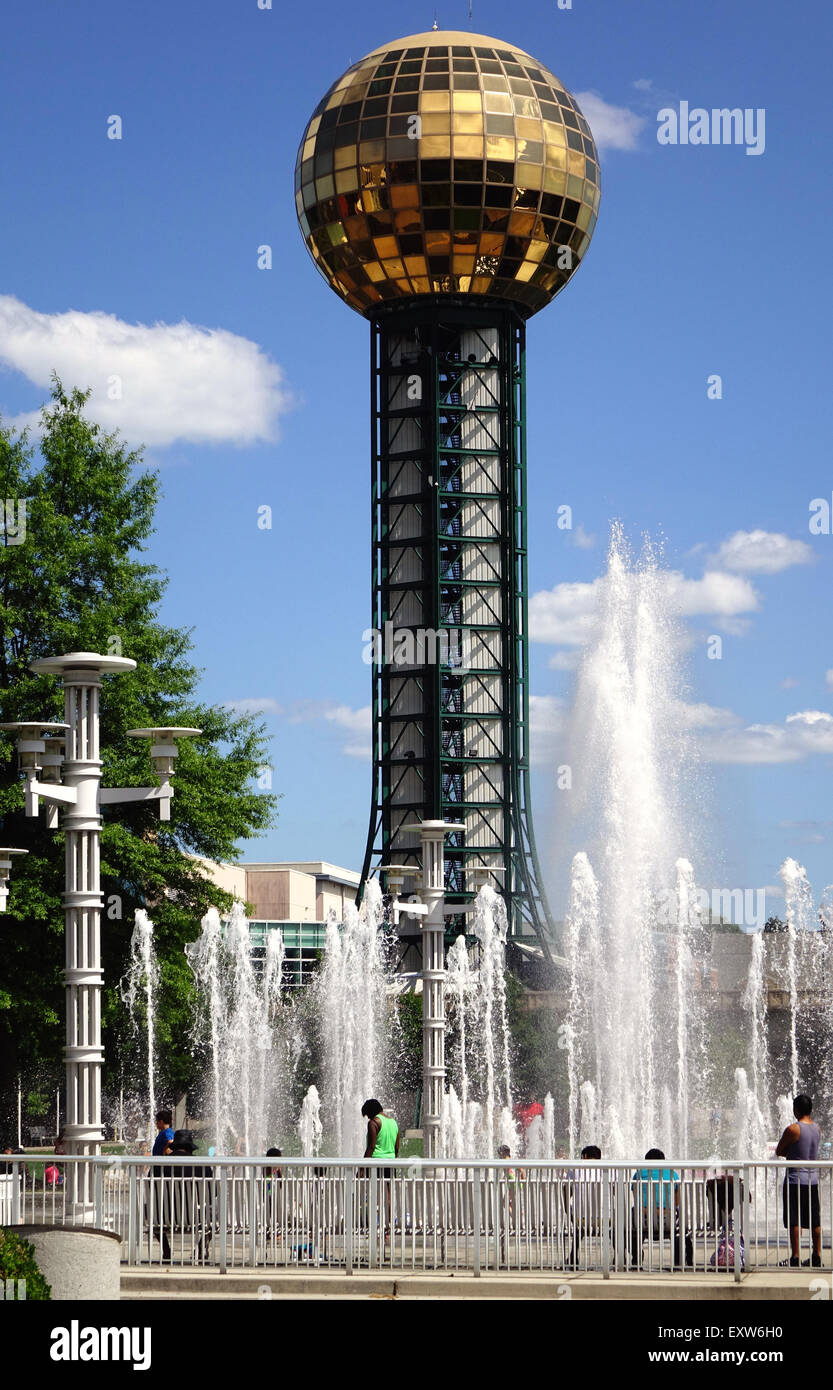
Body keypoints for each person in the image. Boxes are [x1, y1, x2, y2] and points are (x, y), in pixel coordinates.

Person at [776, 1094, 821, 1268]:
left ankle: (795, 1257)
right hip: (813, 1179)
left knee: (795, 1220)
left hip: (795, 1179)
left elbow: (780, 1150)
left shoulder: (793, 1129)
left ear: (795, 1110)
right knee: (814, 1220)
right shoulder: (817, 1128)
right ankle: (816, 1255)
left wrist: (792, 1153)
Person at [631, 1149, 693, 1270]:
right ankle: (678, 1262)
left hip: (643, 1220)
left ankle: (636, 1260)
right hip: (668, 1221)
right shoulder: (672, 1174)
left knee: (633, 1215)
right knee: (680, 1226)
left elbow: (635, 1197)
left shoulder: (638, 1174)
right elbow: (676, 1202)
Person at [563, 1144, 609, 1268]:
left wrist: (569, 1212)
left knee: (580, 1219)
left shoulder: (575, 1171)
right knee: (612, 1216)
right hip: (604, 1219)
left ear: (584, 1156)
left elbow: (566, 1192)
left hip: (580, 1219)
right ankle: (620, 1256)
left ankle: (573, 1255)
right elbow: (615, 1192)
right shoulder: (608, 1170)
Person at [361, 1099, 399, 1239]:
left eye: (367, 1115)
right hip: (391, 1163)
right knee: (388, 1197)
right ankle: (388, 1229)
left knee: (374, 1196)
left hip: (376, 1163)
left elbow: (371, 1146)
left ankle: (376, 1229)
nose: (368, 1118)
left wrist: (362, 1167)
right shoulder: (393, 1123)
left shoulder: (374, 1123)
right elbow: (396, 1148)